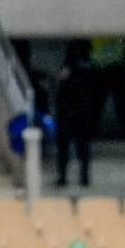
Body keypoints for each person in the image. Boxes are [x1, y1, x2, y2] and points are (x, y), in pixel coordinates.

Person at [55, 39, 95, 188]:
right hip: (83, 111)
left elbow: (60, 89)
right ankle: (84, 177)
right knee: (83, 146)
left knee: (65, 146)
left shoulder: (68, 70)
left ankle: (63, 177)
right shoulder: (89, 67)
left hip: (68, 112)